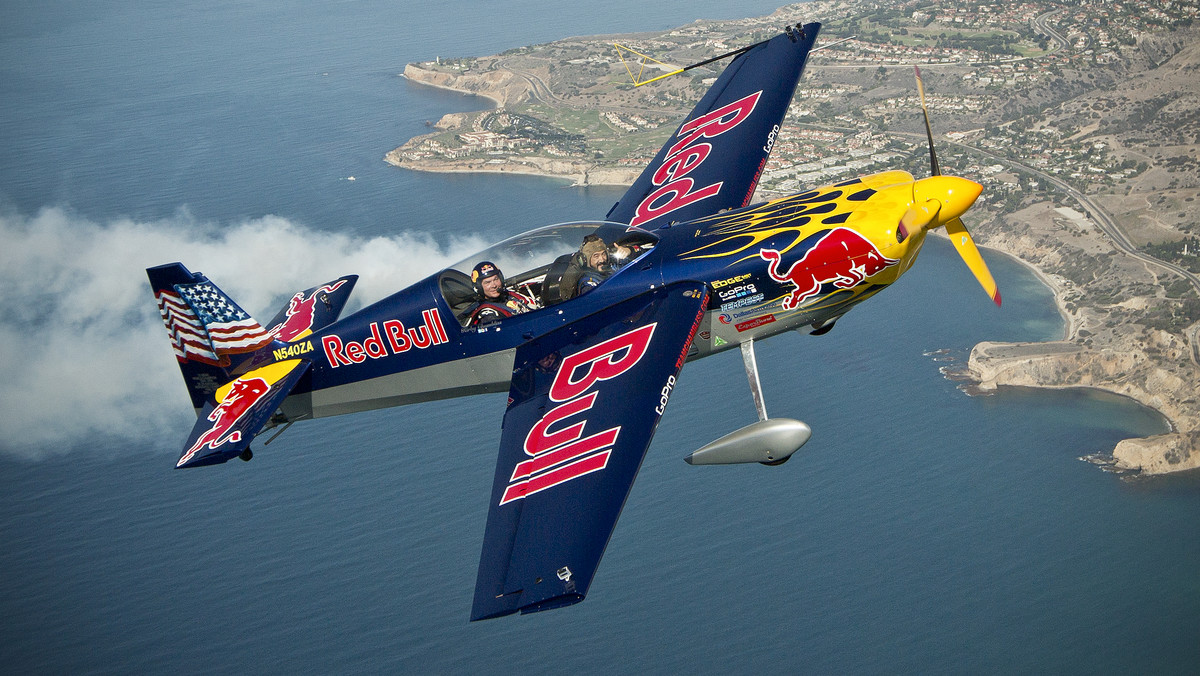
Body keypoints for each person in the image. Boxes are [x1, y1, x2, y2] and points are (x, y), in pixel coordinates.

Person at [466, 261, 536, 325]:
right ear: (479, 287)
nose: (494, 285)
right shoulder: (488, 315)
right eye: (487, 282)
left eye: (496, 279)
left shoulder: (510, 295)